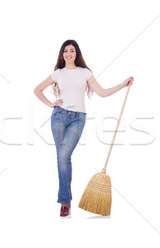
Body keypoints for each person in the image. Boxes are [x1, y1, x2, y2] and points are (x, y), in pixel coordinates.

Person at [33, 39, 133, 216]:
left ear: (76, 53)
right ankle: (65, 201)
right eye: (65, 51)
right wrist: (50, 104)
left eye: (72, 51)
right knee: (61, 158)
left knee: (63, 155)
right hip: (58, 116)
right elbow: (37, 89)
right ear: (62, 54)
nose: (68, 54)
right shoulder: (58, 73)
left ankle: (64, 199)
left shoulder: (85, 72)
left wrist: (122, 85)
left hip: (78, 119)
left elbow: (102, 93)